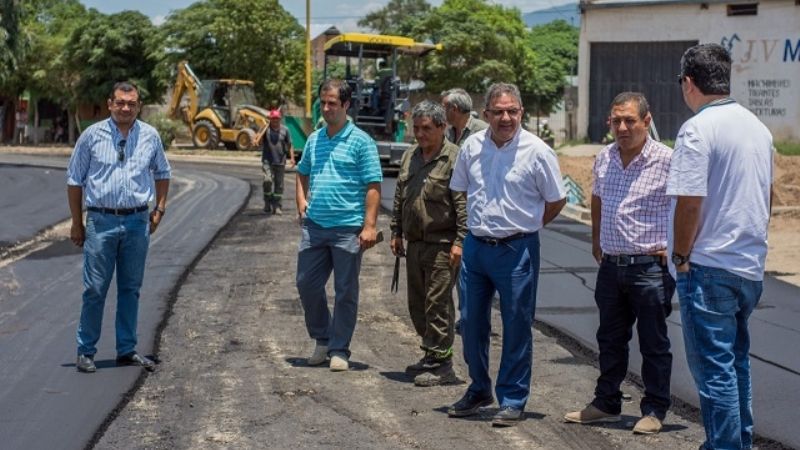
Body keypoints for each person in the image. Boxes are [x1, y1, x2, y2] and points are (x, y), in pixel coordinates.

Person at [669, 43, 773, 450]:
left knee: (714, 373)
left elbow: (689, 201)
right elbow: (762, 200)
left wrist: (680, 256)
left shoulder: (697, 129)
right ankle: (738, 442)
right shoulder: (758, 129)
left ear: (689, 83)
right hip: (748, 266)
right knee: (737, 364)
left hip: (708, 266)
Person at [447, 82, 566, 426]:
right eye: (498, 111)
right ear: (485, 114)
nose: (505, 118)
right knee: (470, 323)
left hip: (517, 250)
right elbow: (460, 189)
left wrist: (528, 225)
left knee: (516, 325)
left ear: (521, 113)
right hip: (476, 247)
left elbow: (556, 199)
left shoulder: (538, 151)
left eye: (512, 111)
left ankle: (513, 397)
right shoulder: (471, 146)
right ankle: (479, 388)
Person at [564, 92, 675, 434]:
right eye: (616, 121)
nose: (623, 127)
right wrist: (597, 239)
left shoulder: (667, 160)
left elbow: (688, 206)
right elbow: (597, 198)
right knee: (609, 338)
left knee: (653, 342)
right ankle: (606, 402)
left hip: (650, 268)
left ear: (647, 120)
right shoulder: (604, 158)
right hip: (611, 266)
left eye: (630, 120)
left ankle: (654, 409)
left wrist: (675, 248)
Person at [66, 81, 171, 373]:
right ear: (110, 103)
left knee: (131, 288)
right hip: (101, 221)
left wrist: (159, 210)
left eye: (131, 103)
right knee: (95, 289)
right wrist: (77, 222)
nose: (126, 108)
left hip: (138, 222)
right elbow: (75, 180)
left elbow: (163, 172)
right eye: (120, 102)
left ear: (139, 106)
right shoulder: (91, 136)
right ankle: (85, 350)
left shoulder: (150, 136)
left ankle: (126, 349)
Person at [295, 79, 383, 372]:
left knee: (345, 290)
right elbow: (302, 172)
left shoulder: (361, 141)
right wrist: (301, 203)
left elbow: (373, 185)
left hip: (348, 229)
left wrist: (369, 226)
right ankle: (322, 337)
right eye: (324, 102)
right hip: (315, 227)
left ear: (346, 104)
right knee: (306, 283)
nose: (327, 108)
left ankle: (339, 348)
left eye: (333, 102)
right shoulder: (315, 139)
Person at [390, 100, 467, 387]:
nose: (420, 134)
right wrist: (396, 231)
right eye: (416, 128)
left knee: (438, 304)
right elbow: (401, 193)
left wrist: (460, 241)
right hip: (415, 244)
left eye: (426, 129)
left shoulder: (454, 158)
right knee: (417, 304)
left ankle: (443, 365)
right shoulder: (411, 155)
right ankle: (430, 354)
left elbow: (463, 204)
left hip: (443, 244)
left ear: (441, 127)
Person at [260, 109, 295, 215]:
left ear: (280, 119)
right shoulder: (265, 129)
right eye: (273, 118)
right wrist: (257, 138)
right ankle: (267, 202)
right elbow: (257, 141)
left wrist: (292, 158)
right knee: (267, 181)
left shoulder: (285, 130)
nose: (275, 120)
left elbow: (290, 145)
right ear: (270, 119)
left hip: (280, 161)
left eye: (277, 118)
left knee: (279, 186)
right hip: (267, 160)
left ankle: (277, 206)